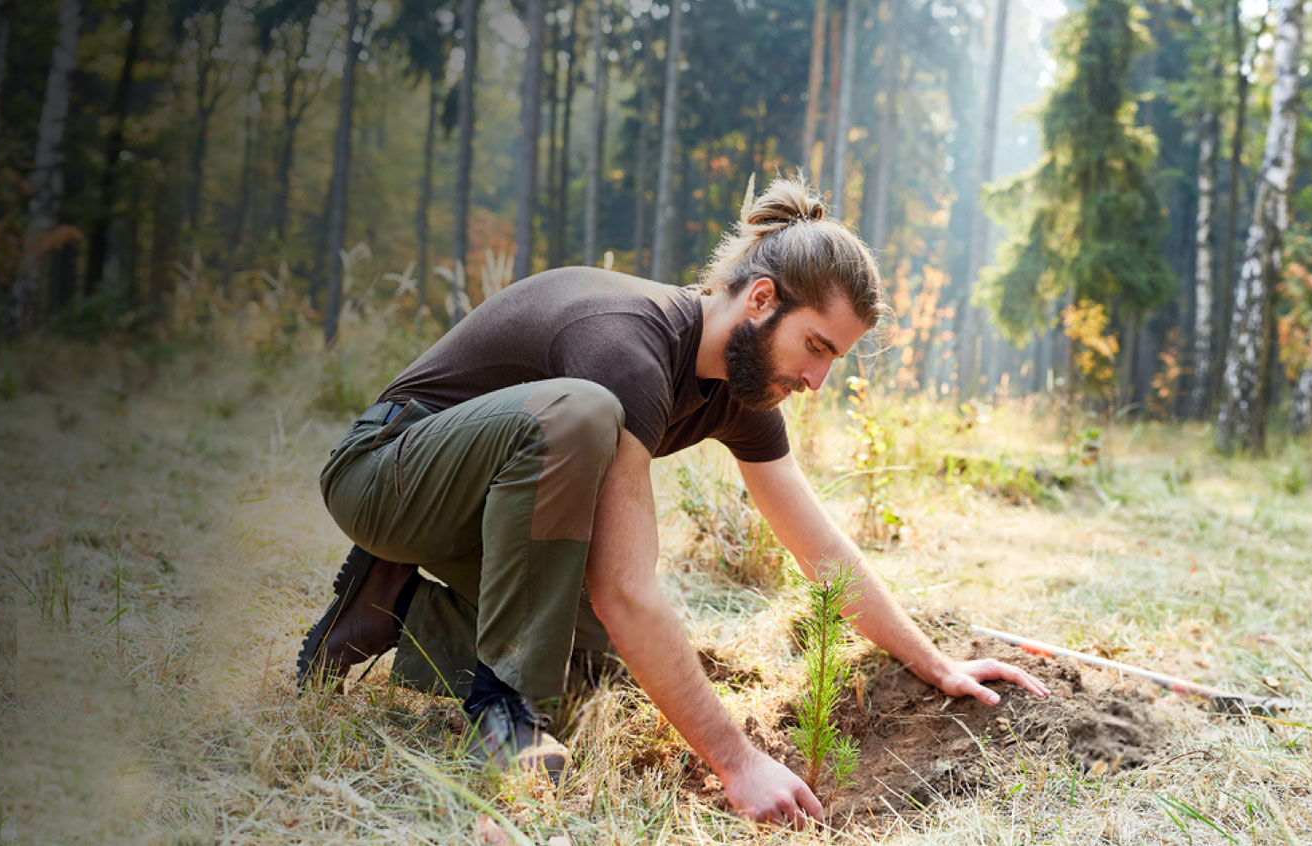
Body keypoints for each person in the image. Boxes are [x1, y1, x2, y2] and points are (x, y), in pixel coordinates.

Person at [296, 175, 1049, 827]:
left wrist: (936, 662)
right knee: (581, 416)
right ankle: (505, 712)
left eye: (834, 361)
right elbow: (628, 590)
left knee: (599, 673)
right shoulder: (627, 347)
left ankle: (392, 606)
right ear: (761, 300)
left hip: (481, 511)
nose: (818, 382)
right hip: (385, 476)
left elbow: (818, 546)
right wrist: (737, 762)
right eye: (817, 347)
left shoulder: (740, 391)